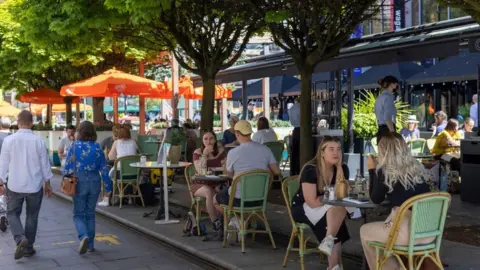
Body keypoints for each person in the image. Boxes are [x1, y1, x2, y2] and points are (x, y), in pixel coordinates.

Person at [361, 134, 432, 269]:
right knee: (381, 232)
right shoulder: (417, 167)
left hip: (406, 233)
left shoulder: (385, 171)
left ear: (384, 150)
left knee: (365, 231)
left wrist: (371, 170)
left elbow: (376, 199)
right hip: (427, 233)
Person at [0, 110, 53, 260]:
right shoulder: (39, 141)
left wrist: (1, 181)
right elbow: (45, 165)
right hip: (34, 185)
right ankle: (29, 247)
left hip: (14, 184)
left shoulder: (9, 141)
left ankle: (19, 238)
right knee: (32, 216)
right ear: (31, 123)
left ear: (18, 123)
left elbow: (2, 164)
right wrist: (47, 183)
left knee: (12, 213)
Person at [290, 136, 350, 270]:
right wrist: (331, 199)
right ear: (322, 152)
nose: (336, 153)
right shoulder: (311, 169)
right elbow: (311, 202)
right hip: (303, 207)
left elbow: (342, 195)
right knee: (332, 222)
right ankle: (334, 266)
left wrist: (339, 167)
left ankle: (329, 247)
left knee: (336, 213)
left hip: (327, 205)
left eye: (339, 149)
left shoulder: (342, 168)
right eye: (331, 149)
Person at [63, 121, 111, 254]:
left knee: (78, 214)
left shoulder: (73, 146)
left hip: (78, 181)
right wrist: (108, 186)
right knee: (90, 214)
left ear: (79, 132)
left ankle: (83, 236)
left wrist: (66, 180)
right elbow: (104, 168)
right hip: (95, 181)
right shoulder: (97, 147)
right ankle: (90, 244)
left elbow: (66, 167)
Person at [215, 120, 281, 208]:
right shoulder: (265, 149)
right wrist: (264, 172)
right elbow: (277, 172)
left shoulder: (233, 152)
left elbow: (229, 175)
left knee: (215, 200)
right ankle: (247, 219)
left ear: (237, 134)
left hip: (238, 198)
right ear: (250, 133)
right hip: (260, 198)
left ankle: (237, 219)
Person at [192, 131, 226, 232]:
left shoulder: (221, 151)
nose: (208, 141)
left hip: (217, 182)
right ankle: (216, 222)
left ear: (215, 140)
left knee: (224, 190)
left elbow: (226, 168)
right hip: (200, 183)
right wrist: (205, 155)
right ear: (202, 141)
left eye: (211, 138)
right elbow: (200, 171)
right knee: (208, 191)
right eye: (205, 139)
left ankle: (230, 220)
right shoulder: (197, 152)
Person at [98, 125, 138, 206]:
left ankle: (107, 198)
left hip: (121, 173)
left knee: (107, 174)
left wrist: (113, 154)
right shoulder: (134, 142)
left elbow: (110, 157)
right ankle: (128, 197)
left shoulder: (117, 142)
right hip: (135, 173)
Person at [374, 75, 399, 142]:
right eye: (395, 83)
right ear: (391, 84)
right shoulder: (388, 97)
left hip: (380, 130)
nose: (397, 85)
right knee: (391, 152)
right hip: (388, 131)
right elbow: (387, 118)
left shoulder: (379, 98)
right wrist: (393, 133)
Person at [288, 98, 301, 176]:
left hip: (295, 130)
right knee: (300, 151)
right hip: (302, 130)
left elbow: (291, 121)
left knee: (295, 152)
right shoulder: (302, 107)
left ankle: (294, 171)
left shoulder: (291, 109)